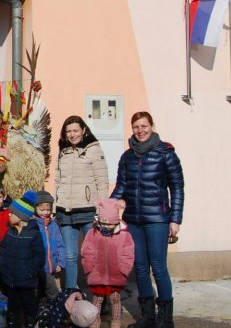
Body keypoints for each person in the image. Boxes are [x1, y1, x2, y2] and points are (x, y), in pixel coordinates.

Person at [111, 112, 184, 328]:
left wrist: (175, 219)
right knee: (141, 268)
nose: (140, 130)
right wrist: (109, 207)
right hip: (133, 219)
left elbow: (177, 186)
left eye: (144, 126)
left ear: (152, 126)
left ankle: (165, 320)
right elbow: (122, 186)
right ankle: (148, 318)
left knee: (159, 267)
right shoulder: (127, 157)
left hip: (158, 220)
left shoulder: (166, 153)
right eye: (136, 127)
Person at [54, 115, 110, 290]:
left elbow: (102, 182)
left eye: (75, 130)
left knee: (94, 255)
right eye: (68, 131)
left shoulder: (94, 150)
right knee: (70, 256)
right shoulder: (63, 152)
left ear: (83, 130)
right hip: (66, 211)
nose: (72, 134)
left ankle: (101, 298)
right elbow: (57, 181)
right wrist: (56, 205)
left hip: (88, 211)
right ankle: (70, 296)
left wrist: (102, 211)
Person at [81, 198, 135, 328]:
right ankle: (95, 319)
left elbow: (128, 254)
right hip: (97, 274)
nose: (106, 227)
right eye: (103, 224)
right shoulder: (92, 233)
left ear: (116, 222)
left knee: (115, 299)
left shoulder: (124, 235)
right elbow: (87, 251)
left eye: (110, 224)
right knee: (97, 299)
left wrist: (124, 270)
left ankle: (116, 320)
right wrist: (89, 268)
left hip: (116, 274)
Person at [0, 190, 44, 328]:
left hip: (26, 282)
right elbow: (3, 253)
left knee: (29, 306)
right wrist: (3, 270)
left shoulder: (34, 234)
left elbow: (39, 257)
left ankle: (31, 322)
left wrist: (30, 273)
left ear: (21, 216)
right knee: (13, 307)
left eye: (12, 213)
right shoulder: (10, 232)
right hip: (10, 281)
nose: (9, 215)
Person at [34, 191, 65, 302]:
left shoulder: (54, 225)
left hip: (51, 266)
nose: (45, 212)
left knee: (51, 292)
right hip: (39, 267)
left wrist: (61, 262)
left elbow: (60, 245)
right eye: (42, 210)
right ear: (35, 208)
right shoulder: (33, 224)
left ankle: (54, 310)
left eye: (48, 209)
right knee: (38, 292)